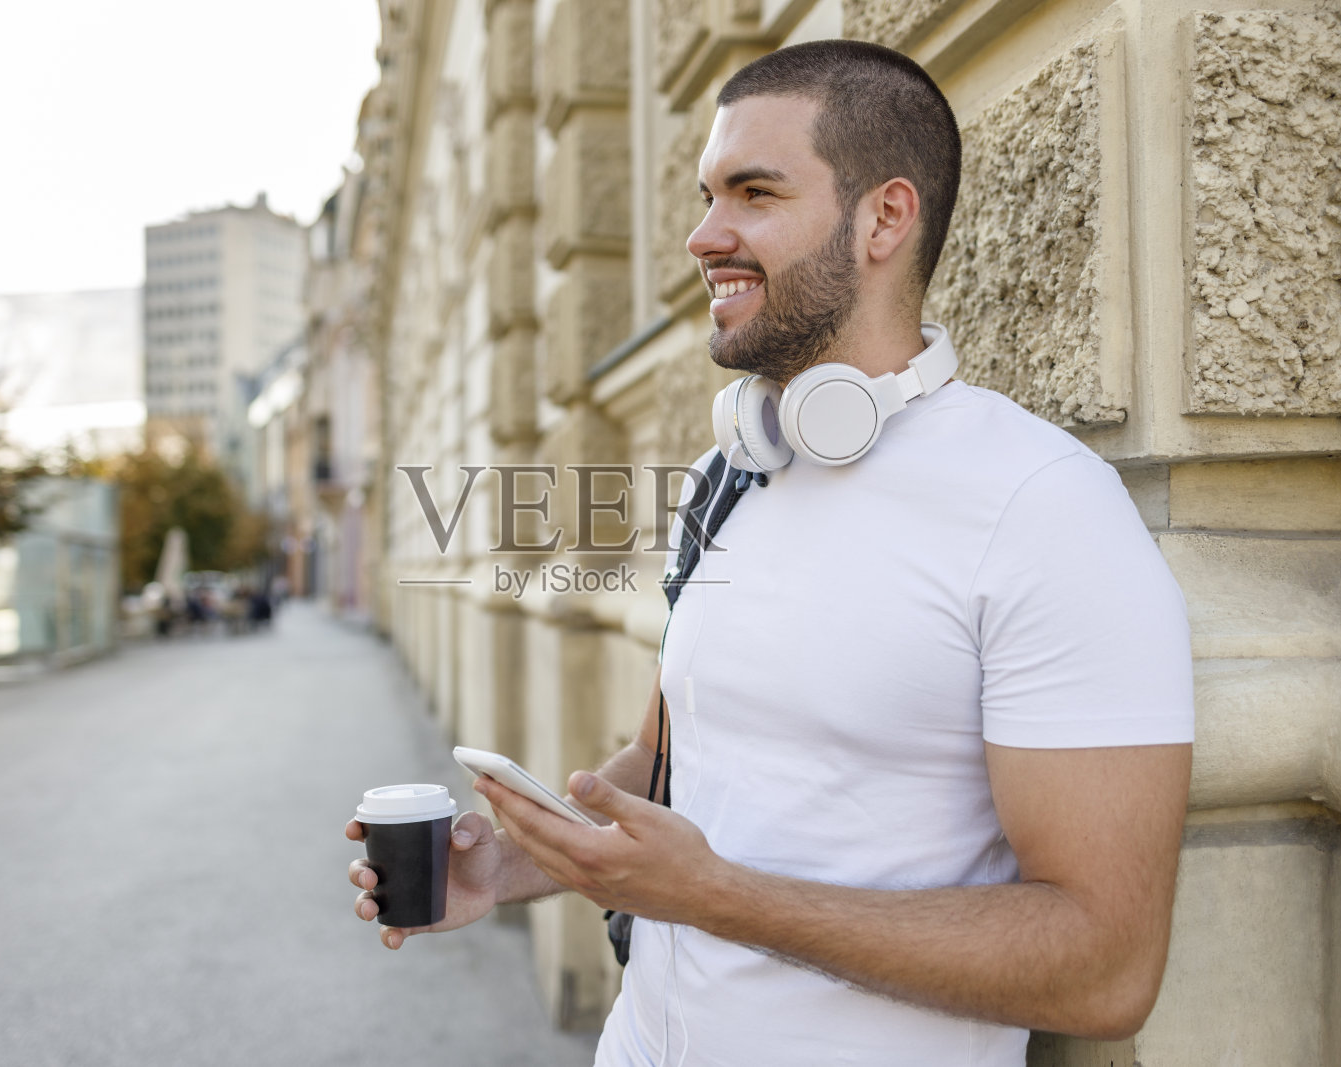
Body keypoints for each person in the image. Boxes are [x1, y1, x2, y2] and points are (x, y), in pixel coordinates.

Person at [347, 39, 1193, 1066]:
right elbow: (670, 762)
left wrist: (717, 898)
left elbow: (1103, 965)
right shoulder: (730, 472)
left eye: (752, 192)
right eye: (707, 195)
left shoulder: (1040, 508)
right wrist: (522, 860)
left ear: (883, 217)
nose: (705, 235)